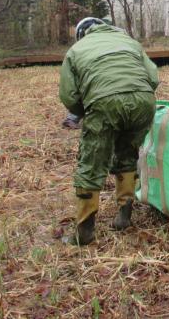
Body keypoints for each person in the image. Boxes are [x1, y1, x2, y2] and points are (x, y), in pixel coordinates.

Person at [59, 17, 159, 245]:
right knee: (127, 155)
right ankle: (124, 217)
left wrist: (87, 110)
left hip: (104, 103)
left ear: (81, 34)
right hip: (144, 101)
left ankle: (84, 231)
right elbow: (152, 77)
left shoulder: (76, 50)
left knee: (92, 162)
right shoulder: (129, 41)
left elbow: (68, 96)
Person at [60, 16, 118, 130]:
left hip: (102, 102)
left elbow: (70, 94)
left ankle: (73, 118)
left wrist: (77, 111)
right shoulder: (122, 41)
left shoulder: (78, 51)